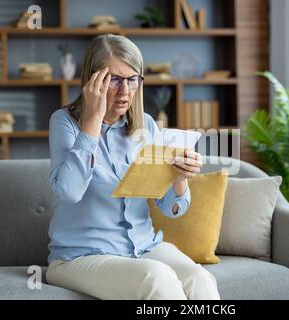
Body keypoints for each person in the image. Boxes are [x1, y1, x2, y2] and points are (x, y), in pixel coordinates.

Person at [45, 34, 220, 300]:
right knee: (157, 278)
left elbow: (170, 208)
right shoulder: (64, 122)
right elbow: (69, 191)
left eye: (132, 79)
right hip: (79, 256)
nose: (125, 91)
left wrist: (179, 179)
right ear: (93, 80)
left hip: (142, 246)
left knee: (199, 279)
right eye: (114, 79)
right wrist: (93, 118)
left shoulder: (145, 126)